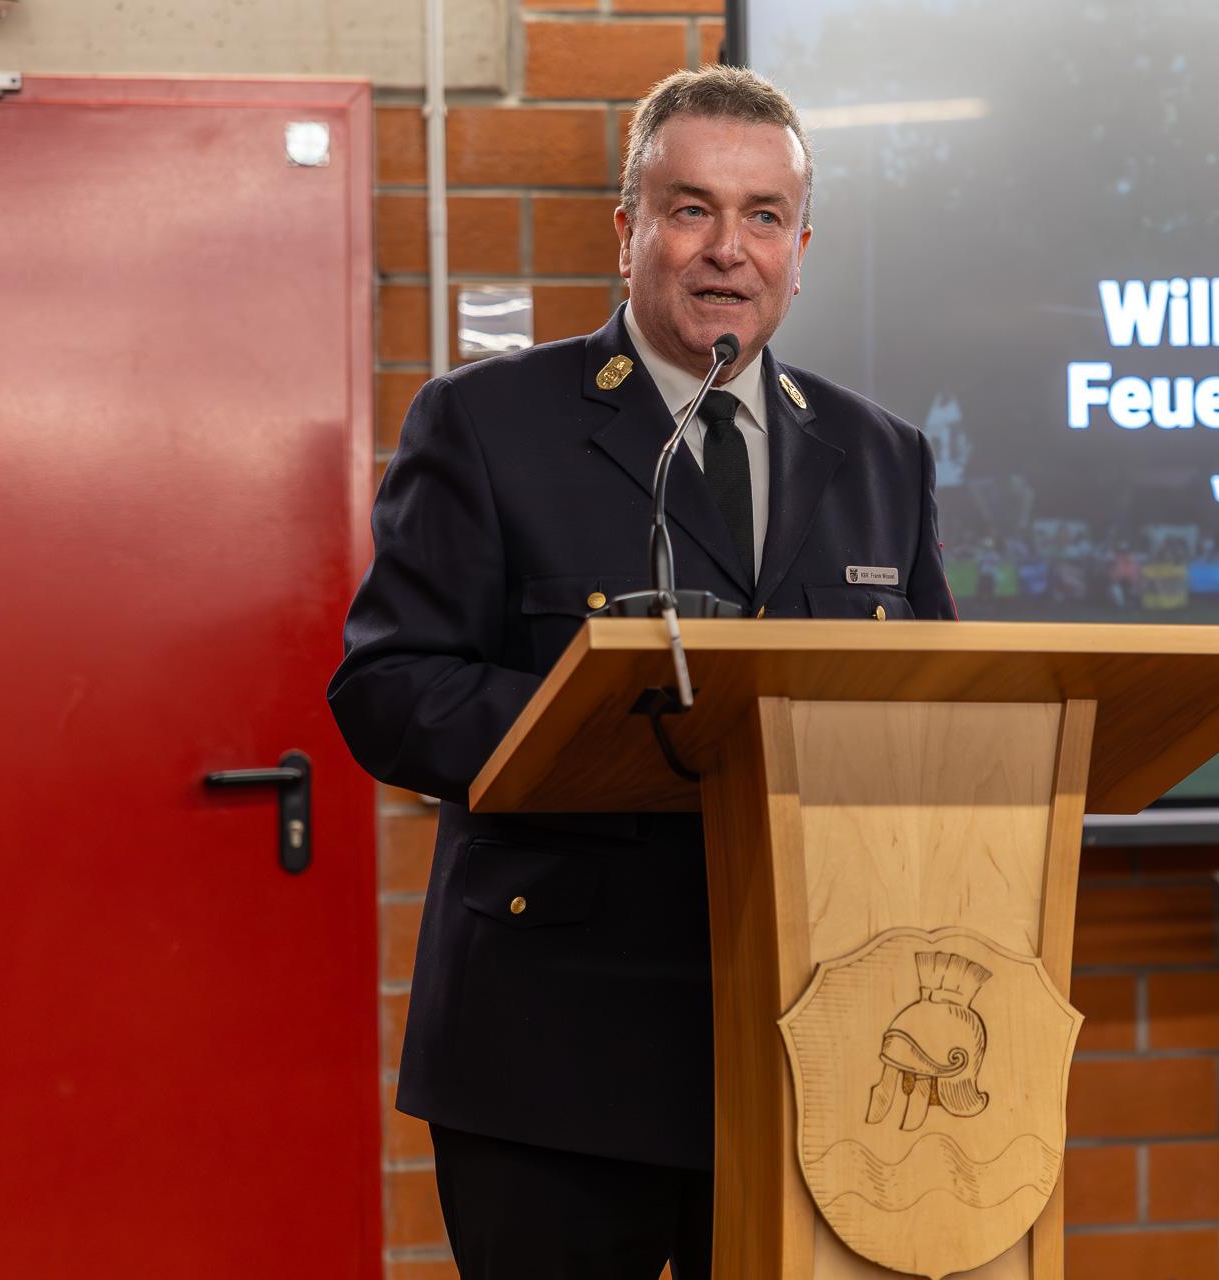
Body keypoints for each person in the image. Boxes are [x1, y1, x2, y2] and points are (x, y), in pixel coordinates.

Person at [327, 65, 956, 1280]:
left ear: (800, 250)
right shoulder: (489, 422)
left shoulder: (882, 453)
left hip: (809, 1049)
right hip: (554, 1055)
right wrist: (608, 728)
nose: (728, 249)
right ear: (628, 232)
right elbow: (388, 686)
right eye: (691, 209)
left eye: (763, 216)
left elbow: (935, 707)